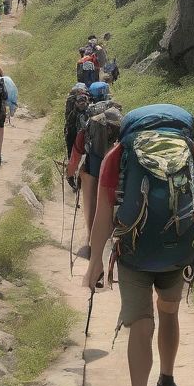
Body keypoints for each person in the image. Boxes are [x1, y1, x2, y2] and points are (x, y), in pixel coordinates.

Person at [83, 105, 194, 386]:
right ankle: (167, 381)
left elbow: (104, 212)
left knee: (141, 325)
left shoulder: (119, 155)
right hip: (176, 249)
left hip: (134, 252)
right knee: (169, 312)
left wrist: (95, 263)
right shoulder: (187, 149)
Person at [66, 82, 120, 258]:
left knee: (93, 209)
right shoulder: (118, 125)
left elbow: (75, 155)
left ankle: (92, 243)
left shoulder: (87, 129)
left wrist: (70, 175)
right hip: (117, 176)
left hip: (93, 174)